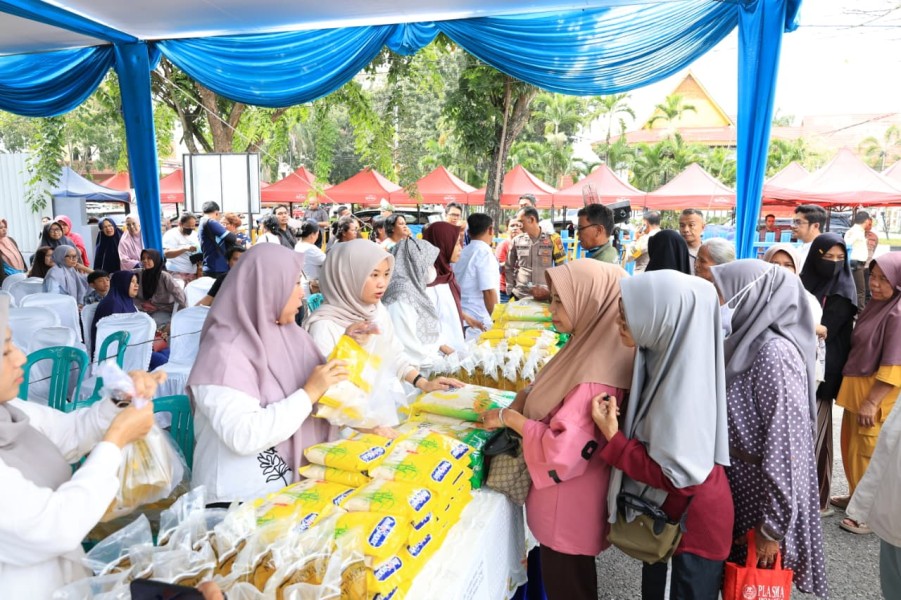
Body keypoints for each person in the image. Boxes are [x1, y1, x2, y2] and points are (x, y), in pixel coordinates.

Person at [478, 260, 634, 600]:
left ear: (593, 302)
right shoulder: (594, 348)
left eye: (562, 301)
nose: (553, 310)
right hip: (577, 503)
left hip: (568, 510)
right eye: (554, 299)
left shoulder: (595, 375)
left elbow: (562, 453)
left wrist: (509, 418)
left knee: (570, 586)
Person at [0, 294, 165, 599]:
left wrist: (120, 399)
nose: (21, 357)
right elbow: (54, 526)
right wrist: (116, 440)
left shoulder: (12, 413)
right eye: (6, 349)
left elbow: (72, 431)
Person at [595, 269, 733, 599]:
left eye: (626, 319)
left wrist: (614, 439)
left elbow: (679, 476)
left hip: (688, 533)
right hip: (673, 521)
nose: (619, 326)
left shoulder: (685, 389)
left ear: (665, 320)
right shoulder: (668, 358)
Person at [187, 244, 346, 505]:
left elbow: (318, 384)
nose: (301, 295)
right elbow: (243, 434)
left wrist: (351, 347)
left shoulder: (290, 336)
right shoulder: (224, 351)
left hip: (286, 497)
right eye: (293, 284)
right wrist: (309, 393)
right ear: (266, 288)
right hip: (235, 505)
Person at [709, 260, 828, 598]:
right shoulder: (747, 344)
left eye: (725, 295)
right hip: (743, 492)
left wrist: (771, 529)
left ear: (754, 298)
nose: (720, 304)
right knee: (737, 586)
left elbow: (785, 449)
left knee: (753, 587)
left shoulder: (773, 354)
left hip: (760, 502)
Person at [305, 240, 463, 418]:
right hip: (350, 427)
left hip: (383, 414)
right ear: (347, 276)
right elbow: (329, 390)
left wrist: (423, 383)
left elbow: (394, 353)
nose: (382, 283)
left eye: (386, 274)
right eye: (373, 275)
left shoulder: (376, 310)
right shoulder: (324, 326)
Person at [835, 252, 901, 535]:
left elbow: (894, 364)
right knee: (852, 447)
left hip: (874, 396)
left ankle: (866, 513)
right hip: (857, 392)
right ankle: (855, 496)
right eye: (872, 277)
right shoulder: (878, 306)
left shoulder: (898, 313)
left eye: (883, 279)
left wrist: (872, 401)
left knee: (868, 451)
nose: (874, 284)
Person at [800, 232, 858, 516]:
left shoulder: (843, 291)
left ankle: (818, 498)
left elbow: (825, 331)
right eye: (827, 257)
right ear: (815, 257)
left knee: (817, 435)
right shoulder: (803, 282)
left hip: (824, 372)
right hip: (800, 367)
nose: (834, 263)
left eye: (840, 258)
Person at [763, 243, 828, 387]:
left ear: (796, 268)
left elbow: (808, 340)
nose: (781, 269)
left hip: (798, 369)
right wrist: (813, 327)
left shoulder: (807, 299)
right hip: (762, 367)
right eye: (774, 263)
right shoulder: (757, 295)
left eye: (788, 265)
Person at [382, 237, 449, 367]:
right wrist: (441, 364)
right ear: (416, 263)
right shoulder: (400, 296)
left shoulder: (413, 288)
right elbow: (408, 347)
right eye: (429, 264)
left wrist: (444, 348)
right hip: (411, 377)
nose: (432, 268)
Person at [423, 221, 481, 349]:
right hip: (440, 359)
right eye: (456, 244)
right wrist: (453, 355)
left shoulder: (447, 274)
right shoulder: (428, 283)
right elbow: (426, 328)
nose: (461, 248)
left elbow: (443, 307)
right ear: (442, 245)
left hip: (454, 349)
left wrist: (464, 316)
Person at [505, 206, 566, 301]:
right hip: (521, 295)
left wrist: (555, 292)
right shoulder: (516, 241)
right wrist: (510, 289)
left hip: (544, 296)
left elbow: (561, 268)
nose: (519, 226)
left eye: (521, 222)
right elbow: (509, 266)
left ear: (532, 219)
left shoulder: (553, 239)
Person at [453, 213, 499, 334]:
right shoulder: (484, 253)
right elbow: (488, 291)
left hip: (462, 317)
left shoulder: (462, 252)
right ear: (490, 230)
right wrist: (498, 321)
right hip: (477, 321)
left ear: (468, 232)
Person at [134, 249, 187, 327]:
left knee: (154, 324)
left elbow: (179, 295)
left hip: (162, 309)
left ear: (156, 259)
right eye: (143, 258)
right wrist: (141, 304)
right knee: (139, 324)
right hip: (143, 309)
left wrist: (180, 315)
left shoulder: (164, 276)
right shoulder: (139, 274)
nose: (145, 261)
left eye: (149, 258)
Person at [199, 202, 237, 278]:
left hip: (211, 266)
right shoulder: (211, 222)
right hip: (217, 268)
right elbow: (232, 238)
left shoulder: (202, 222)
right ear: (216, 213)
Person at [845, 210, 872, 311]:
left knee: (859, 289)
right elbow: (847, 244)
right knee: (860, 291)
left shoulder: (856, 231)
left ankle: (858, 311)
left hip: (857, 264)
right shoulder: (855, 231)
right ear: (866, 221)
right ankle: (860, 313)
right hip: (855, 264)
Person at [162, 213, 200, 285]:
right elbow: (166, 253)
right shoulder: (171, 234)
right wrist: (184, 249)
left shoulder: (195, 234)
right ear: (180, 224)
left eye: (193, 226)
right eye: (189, 226)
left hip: (192, 272)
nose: (191, 228)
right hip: (176, 272)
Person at [295, 221, 326, 296]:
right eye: (317, 234)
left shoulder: (299, 244)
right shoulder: (309, 248)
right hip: (313, 286)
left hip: (305, 282)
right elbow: (328, 261)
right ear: (312, 235)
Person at [496, 218, 521, 303]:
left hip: (520, 290)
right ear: (507, 229)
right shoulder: (503, 245)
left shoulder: (526, 245)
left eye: (518, 225)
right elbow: (497, 268)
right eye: (512, 225)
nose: (515, 228)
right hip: (505, 290)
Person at [677, 209, 705, 274]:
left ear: (703, 227)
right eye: (682, 225)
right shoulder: (675, 253)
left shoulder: (709, 252)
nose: (686, 230)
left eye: (691, 225)